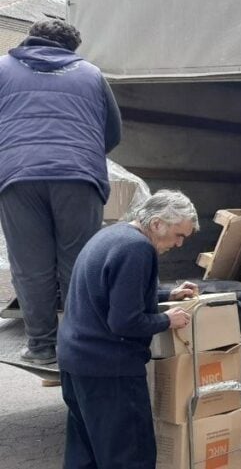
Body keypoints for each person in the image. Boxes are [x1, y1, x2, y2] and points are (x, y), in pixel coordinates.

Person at [0, 19, 122, 365]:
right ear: (71, 48)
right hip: (78, 177)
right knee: (79, 263)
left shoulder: (2, 68)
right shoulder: (92, 75)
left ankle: (41, 347)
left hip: (18, 177)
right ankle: (79, 345)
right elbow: (112, 133)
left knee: (30, 265)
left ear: (29, 39)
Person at [57, 191, 199, 468]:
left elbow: (114, 294)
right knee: (129, 456)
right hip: (111, 371)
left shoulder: (113, 235)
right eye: (178, 235)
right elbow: (124, 322)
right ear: (157, 224)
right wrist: (166, 320)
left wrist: (168, 293)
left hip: (76, 362)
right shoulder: (138, 249)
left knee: (85, 453)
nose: (179, 244)